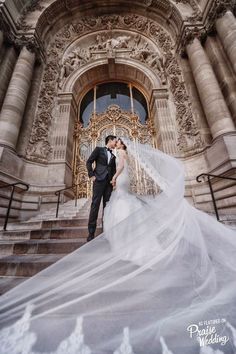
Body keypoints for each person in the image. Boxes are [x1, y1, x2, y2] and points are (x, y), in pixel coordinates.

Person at [0, 138, 236, 354]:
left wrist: (114, 177)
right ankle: (93, 234)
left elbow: (120, 167)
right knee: (98, 207)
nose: (115, 142)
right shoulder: (102, 151)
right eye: (113, 140)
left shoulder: (120, 154)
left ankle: (119, 238)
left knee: (114, 207)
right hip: (103, 181)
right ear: (109, 142)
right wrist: (94, 175)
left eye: (117, 141)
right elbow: (90, 161)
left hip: (116, 183)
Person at [86, 135, 117, 242]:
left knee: (107, 207)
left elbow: (113, 170)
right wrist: (91, 175)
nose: (116, 143)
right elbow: (89, 161)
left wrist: (114, 182)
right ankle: (91, 233)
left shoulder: (114, 156)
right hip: (98, 180)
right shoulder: (98, 150)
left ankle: (106, 231)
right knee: (95, 205)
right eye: (115, 141)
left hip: (108, 183)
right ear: (110, 140)